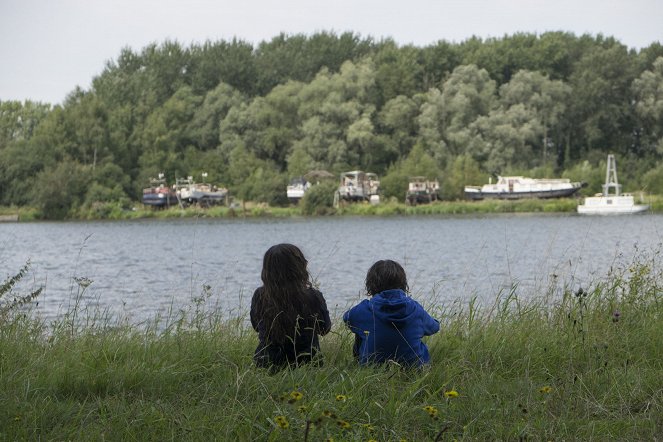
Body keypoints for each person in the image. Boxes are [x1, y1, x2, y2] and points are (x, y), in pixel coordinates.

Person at [250, 243, 332, 370]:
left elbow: (256, 326)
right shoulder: (313, 296)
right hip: (308, 363)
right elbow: (324, 329)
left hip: (266, 364)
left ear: (267, 270)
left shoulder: (260, 295)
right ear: (300, 267)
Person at [343, 259, 439, 367]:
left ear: (371, 284)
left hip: (372, 369)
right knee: (418, 333)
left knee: (361, 330)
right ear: (403, 283)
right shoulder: (415, 308)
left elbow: (347, 318)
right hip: (413, 370)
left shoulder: (365, 308)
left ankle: (360, 364)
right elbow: (434, 327)